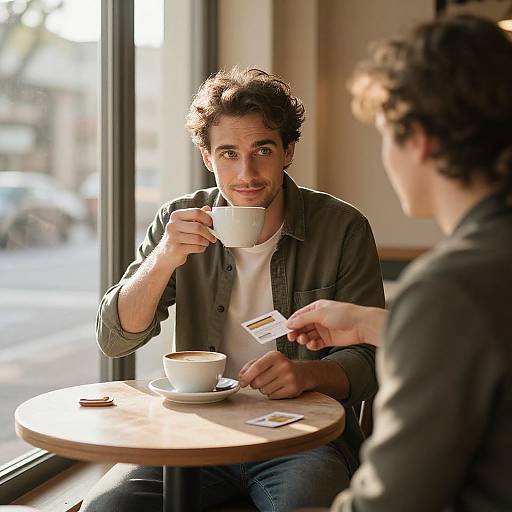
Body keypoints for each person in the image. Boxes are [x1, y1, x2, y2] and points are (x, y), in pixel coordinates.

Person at [82, 67, 384, 512]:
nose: (246, 173)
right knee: (105, 509)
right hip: (194, 428)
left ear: (288, 151)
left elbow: (372, 359)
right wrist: (164, 257)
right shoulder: (180, 218)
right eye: (228, 154)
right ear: (207, 158)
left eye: (263, 150)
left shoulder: (342, 228)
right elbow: (114, 337)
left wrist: (305, 375)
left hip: (300, 433)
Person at [287, 15, 512, 512]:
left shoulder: (448, 288)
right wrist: (372, 323)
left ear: (422, 139)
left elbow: (391, 502)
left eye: (386, 134)